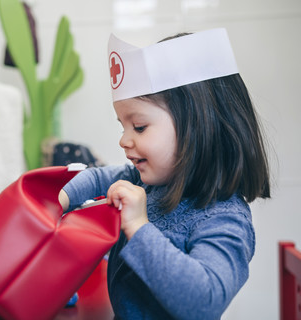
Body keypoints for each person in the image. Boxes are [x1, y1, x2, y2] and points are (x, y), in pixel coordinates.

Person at [59, 29, 270, 319]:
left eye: (140, 127)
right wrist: (60, 197)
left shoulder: (224, 218)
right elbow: (96, 178)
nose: (124, 140)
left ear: (197, 126)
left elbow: (203, 303)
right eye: (123, 126)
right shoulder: (150, 180)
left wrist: (138, 227)